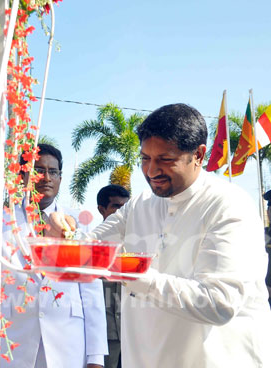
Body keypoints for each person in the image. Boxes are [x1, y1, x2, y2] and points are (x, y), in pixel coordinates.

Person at [61, 104, 271, 367]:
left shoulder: (229, 205)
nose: (151, 171)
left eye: (165, 159)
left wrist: (133, 274)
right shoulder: (139, 205)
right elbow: (89, 244)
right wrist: (65, 229)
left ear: (199, 155)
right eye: (145, 159)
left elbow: (218, 302)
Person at [0, 143, 107, 368]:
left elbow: (92, 292)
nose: (46, 178)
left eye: (53, 172)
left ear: (60, 178)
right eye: (39, 170)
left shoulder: (79, 224)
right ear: (23, 175)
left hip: (69, 348)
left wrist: (96, 358)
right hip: (13, 348)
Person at [96, 185, 129, 368]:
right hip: (103, 336)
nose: (122, 212)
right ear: (102, 209)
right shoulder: (91, 246)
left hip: (131, 334)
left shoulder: (135, 244)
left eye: (126, 206)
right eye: (116, 207)